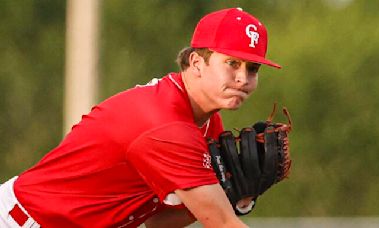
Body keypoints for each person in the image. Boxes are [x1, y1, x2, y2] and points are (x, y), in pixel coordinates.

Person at [0, 7, 281, 228]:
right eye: (231, 63)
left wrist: (239, 196)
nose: (243, 78)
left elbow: (158, 222)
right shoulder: (168, 125)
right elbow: (221, 224)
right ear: (196, 63)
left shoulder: (205, 121)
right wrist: (229, 205)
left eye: (253, 68)